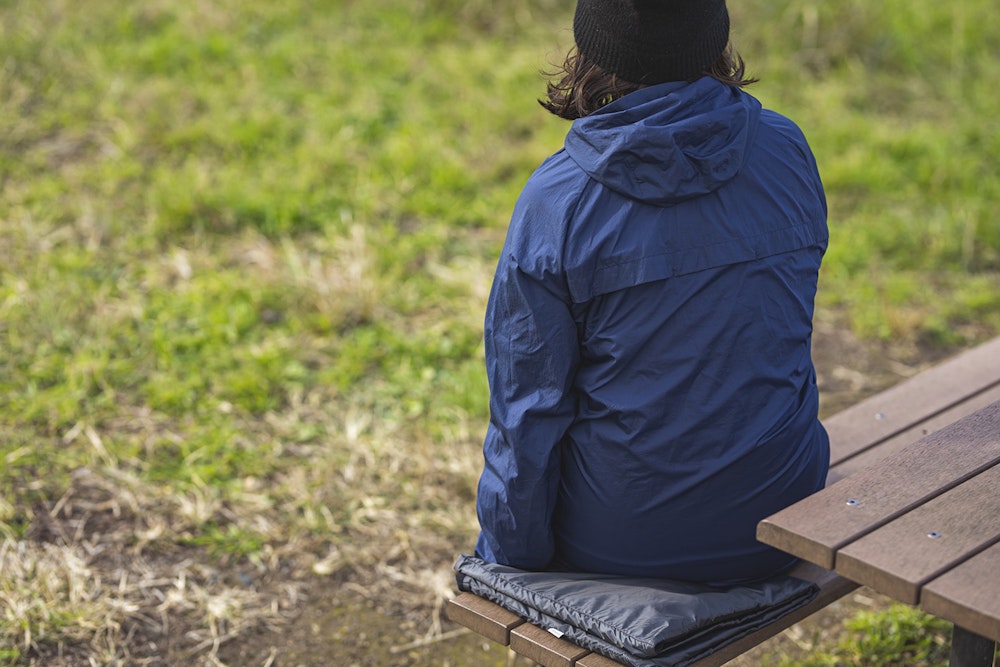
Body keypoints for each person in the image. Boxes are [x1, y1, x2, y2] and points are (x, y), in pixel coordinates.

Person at [473, 0, 830, 585]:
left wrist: (507, 562)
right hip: (781, 512)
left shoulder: (558, 202)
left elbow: (528, 413)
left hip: (621, 541)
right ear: (714, 36)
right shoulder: (785, 148)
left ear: (591, 49)